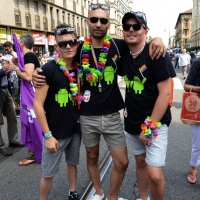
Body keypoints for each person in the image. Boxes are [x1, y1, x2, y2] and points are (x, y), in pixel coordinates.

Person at [32, 4, 166, 200]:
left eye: (103, 20)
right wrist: (38, 72)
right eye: (94, 19)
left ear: (108, 23)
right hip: (86, 116)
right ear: (88, 22)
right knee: (92, 157)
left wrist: (157, 39)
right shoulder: (78, 49)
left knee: (122, 162)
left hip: (112, 115)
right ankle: (99, 193)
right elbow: (60, 61)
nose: (98, 24)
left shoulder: (118, 45)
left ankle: (112, 196)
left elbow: (139, 40)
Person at [120, 11, 176, 200]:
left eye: (136, 26)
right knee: (141, 163)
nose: (131, 30)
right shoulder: (123, 53)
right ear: (123, 31)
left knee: (155, 174)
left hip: (155, 124)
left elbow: (165, 93)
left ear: (145, 30)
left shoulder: (156, 53)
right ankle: (143, 198)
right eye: (127, 26)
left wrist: (149, 128)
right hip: (132, 122)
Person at [34, 24, 81, 200]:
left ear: (77, 44)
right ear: (56, 47)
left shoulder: (80, 68)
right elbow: (37, 105)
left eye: (71, 42)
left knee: (73, 163)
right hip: (55, 131)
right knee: (48, 172)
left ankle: (72, 192)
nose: (68, 46)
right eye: (62, 44)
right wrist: (48, 135)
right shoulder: (48, 69)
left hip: (75, 128)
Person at [9, 34, 43, 165]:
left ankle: (34, 153)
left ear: (22, 44)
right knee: (31, 123)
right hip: (31, 95)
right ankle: (34, 152)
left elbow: (28, 77)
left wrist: (15, 68)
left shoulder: (29, 56)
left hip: (31, 96)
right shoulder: (30, 56)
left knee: (31, 123)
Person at [0, 59, 24, 156]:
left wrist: (8, 71)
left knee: (12, 116)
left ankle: (13, 140)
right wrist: (3, 70)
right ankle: (1, 146)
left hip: (5, 90)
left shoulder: (2, 60)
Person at [184, 57, 200, 184]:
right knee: (198, 143)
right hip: (198, 109)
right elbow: (186, 85)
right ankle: (193, 168)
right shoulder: (198, 62)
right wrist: (197, 89)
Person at [3, 41, 20, 117]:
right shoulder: (6, 56)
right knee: (12, 94)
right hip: (9, 78)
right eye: (5, 50)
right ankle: (17, 109)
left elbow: (19, 66)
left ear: (11, 47)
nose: (6, 51)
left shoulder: (16, 55)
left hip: (16, 77)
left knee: (17, 93)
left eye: (7, 49)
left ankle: (19, 109)